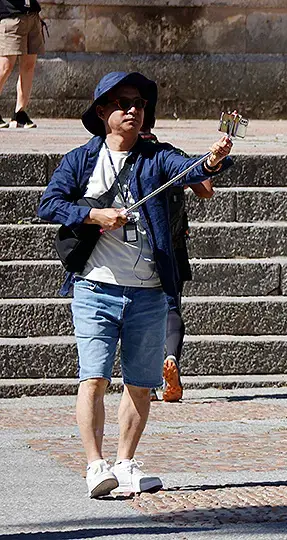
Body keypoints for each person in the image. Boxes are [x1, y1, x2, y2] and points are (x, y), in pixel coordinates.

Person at [37, 71, 233, 498]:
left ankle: (125, 463)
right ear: (103, 111)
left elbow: (192, 171)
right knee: (93, 378)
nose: (132, 109)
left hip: (148, 291)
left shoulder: (155, 156)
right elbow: (49, 204)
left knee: (141, 384)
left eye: (139, 104)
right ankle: (95, 466)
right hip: (95, 288)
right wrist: (94, 216)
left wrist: (214, 157)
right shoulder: (80, 160)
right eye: (123, 103)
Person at [139, 122, 215, 403]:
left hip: (132, 253)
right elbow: (205, 190)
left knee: (138, 317)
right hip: (172, 246)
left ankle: (145, 383)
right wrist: (207, 160)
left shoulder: (124, 157)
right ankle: (171, 358)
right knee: (171, 307)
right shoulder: (169, 155)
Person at [0, 0, 43, 128]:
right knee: (5, 66)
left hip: (32, 14)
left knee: (29, 65)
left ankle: (20, 113)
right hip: (10, 16)